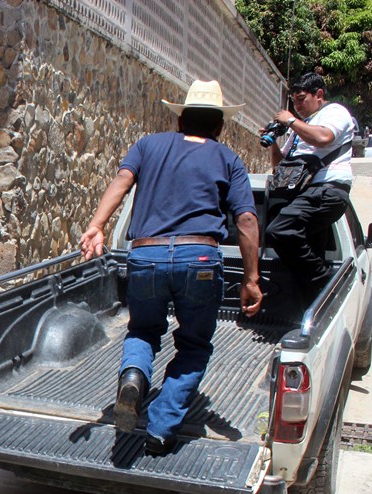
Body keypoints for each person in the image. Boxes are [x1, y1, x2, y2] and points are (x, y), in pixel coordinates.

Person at [79, 80, 262, 455]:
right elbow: (246, 220)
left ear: (180, 119)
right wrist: (251, 279)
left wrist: (96, 225)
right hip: (200, 259)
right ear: (219, 126)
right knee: (194, 345)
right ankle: (160, 430)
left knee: (143, 331)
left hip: (146, 255)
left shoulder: (148, 145)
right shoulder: (228, 158)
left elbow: (122, 181)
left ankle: (133, 377)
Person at [264, 72, 355, 301]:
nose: (297, 106)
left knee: (279, 230)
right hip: (306, 192)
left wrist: (291, 121)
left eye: (302, 99)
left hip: (327, 189)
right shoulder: (301, 128)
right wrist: (273, 140)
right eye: (294, 101)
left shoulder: (334, 112)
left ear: (319, 95)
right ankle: (313, 309)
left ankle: (326, 284)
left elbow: (324, 138)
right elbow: (280, 166)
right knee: (309, 255)